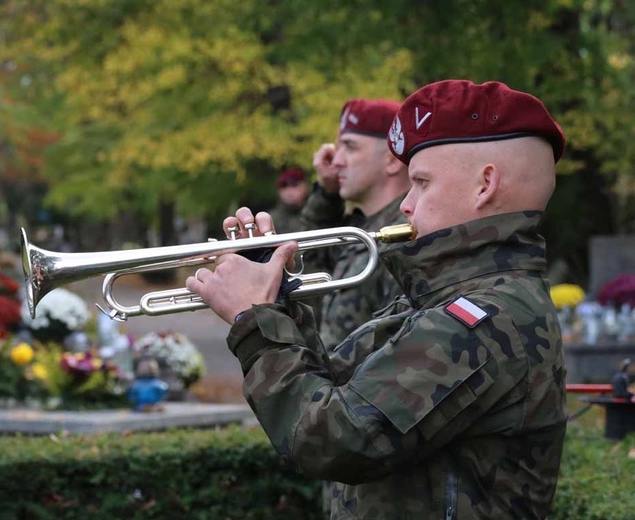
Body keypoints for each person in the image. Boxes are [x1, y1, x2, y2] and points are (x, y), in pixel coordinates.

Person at [186, 79, 568, 519]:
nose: (406, 204)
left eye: (421, 183)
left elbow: (330, 439)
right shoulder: (443, 297)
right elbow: (333, 388)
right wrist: (275, 296)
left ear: (485, 185)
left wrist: (253, 319)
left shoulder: (484, 317)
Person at [301, 98, 410, 353]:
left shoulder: (402, 238)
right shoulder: (363, 228)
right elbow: (309, 265)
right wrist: (327, 194)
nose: (336, 161)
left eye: (350, 148)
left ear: (393, 160)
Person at [270, 166, 311, 235]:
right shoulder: (271, 219)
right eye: (284, 186)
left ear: (305, 187)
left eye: (294, 185)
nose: (289, 192)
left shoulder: (316, 214)